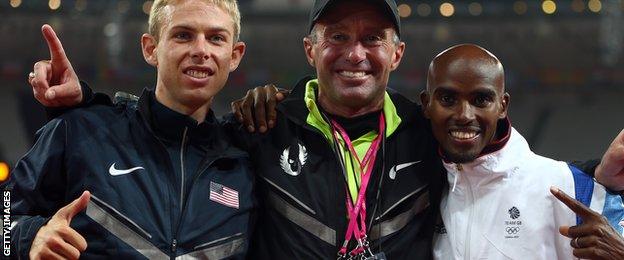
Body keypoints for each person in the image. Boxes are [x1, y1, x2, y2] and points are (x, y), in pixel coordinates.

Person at [5, 0, 254, 258]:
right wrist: (30, 237)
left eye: (216, 38)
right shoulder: (81, 132)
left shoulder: (245, 167)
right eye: (183, 35)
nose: (201, 50)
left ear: (234, 55)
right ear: (150, 48)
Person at [420, 44, 624, 259]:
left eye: (481, 100)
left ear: (502, 105)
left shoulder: (573, 188)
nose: (464, 115)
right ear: (426, 104)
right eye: (448, 99)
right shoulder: (419, 191)